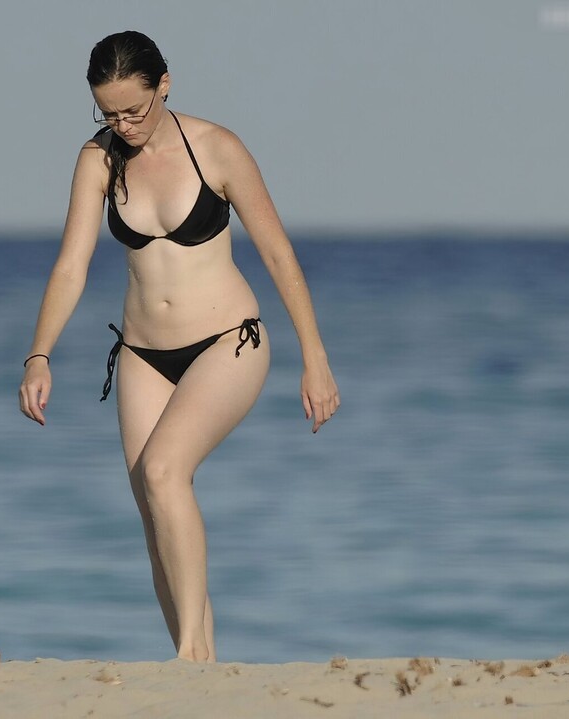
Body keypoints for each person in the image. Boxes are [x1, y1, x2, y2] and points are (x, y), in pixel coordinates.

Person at [19, 30, 339, 663]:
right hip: (142, 355)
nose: (123, 125)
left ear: (164, 85)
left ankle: (189, 658)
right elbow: (71, 266)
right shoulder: (98, 160)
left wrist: (316, 357)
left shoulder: (217, 148)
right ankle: (201, 667)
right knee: (154, 510)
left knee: (165, 472)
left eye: (133, 110)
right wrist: (39, 354)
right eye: (108, 114)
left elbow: (279, 254)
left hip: (229, 341)